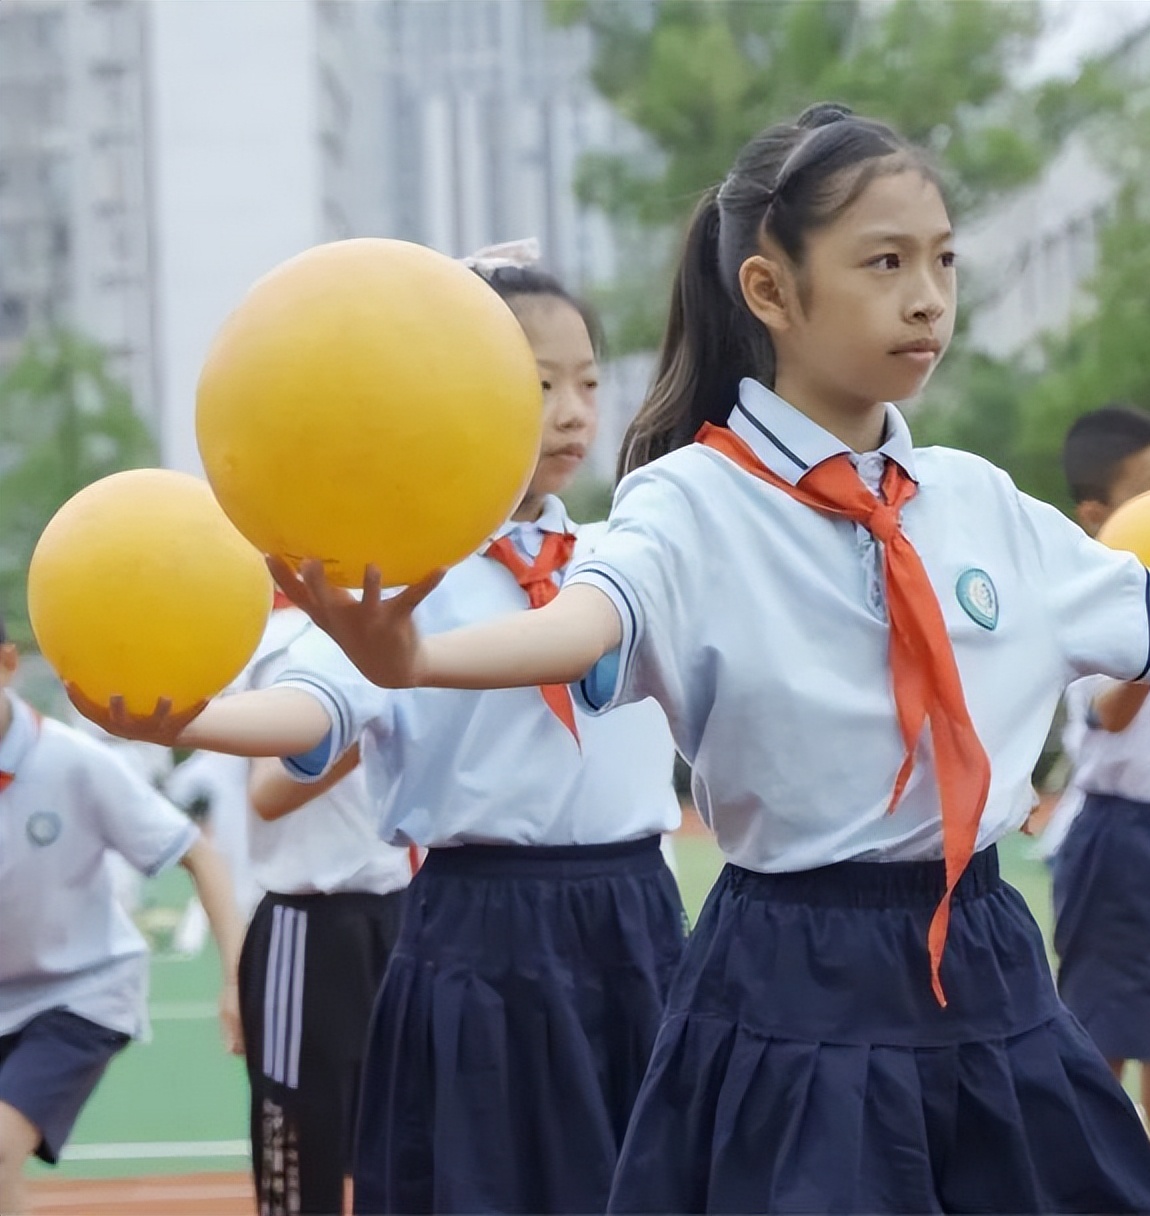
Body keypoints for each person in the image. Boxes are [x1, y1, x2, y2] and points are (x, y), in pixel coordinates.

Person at [248, 104, 1150, 1213]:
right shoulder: (691, 500)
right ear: (769, 290)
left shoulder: (978, 499)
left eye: (943, 259)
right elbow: (586, 624)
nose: (928, 295)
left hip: (986, 963)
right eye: (885, 261)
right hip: (794, 983)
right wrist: (414, 655)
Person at [73, 253, 687, 1216]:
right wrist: (189, 717)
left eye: (588, 381)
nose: (571, 410)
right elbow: (313, 712)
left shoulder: (630, 553)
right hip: (474, 927)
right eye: (536, 384)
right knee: (472, 1187)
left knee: (640, 1185)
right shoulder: (398, 582)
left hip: (634, 923)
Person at [0, 616, 244, 1216]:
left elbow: (199, 854)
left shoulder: (73, 762)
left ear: (8, 664)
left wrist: (236, 979)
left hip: (78, 991)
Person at [1049, 406, 1150, 1216]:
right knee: (1097, 1065)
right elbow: (1107, 715)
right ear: (1100, 514)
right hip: (1121, 846)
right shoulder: (1089, 600)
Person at [236, 602, 412, 1216]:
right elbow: (267, 792)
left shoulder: (408, 620)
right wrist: (373, 725)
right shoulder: (289, 643)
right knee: (299, 1148)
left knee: (403, 1138)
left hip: (400, 912)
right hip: (307, 925)